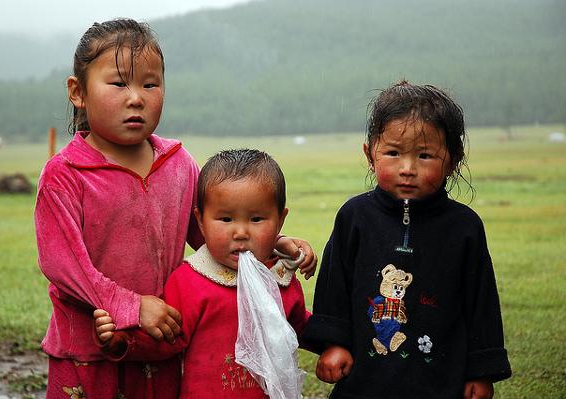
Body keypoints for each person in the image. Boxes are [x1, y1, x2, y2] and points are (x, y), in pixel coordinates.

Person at [34, 19, 316, 399]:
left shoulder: (177, 162)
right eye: (119, 83)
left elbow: (212, 232)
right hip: (87, 349)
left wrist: (272, 245)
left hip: (163, 341)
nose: (136, 98)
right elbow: (63, 265)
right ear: (77, 91)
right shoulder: (65, 174)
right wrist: (131, 307)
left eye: (150, 84)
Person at [302, 80, 512, 399]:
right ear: (370, 154)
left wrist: (481, 372)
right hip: (364, 381)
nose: (408, 168)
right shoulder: (354, 218)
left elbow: (481, 303)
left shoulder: (464, 228)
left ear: (453, 160)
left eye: (425, 155)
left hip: (442, 382)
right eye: (393, 153)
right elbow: (334, 288)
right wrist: (334, 343)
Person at [94, 149, 312, 398]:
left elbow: (298, 327)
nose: (240, 232)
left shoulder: (279, 278)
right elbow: (166, 338)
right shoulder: (190, 281)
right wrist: (122, 339)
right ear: (200, 221)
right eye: (226, 219)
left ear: (280, 221)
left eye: (256, 219)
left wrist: (336, 345)